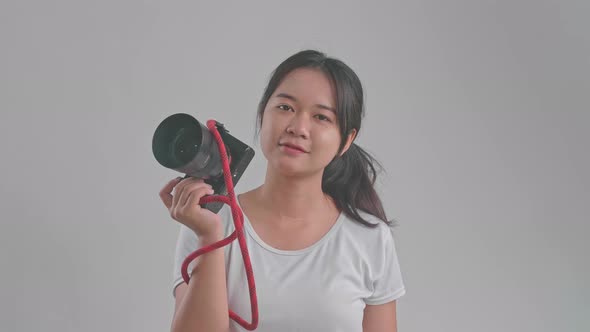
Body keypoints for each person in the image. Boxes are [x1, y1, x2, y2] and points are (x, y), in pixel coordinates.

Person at [160, 49, 406, 332]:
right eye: (285, 107)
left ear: (346, 139)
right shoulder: (210, 222)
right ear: (263, 113)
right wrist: (208, 237)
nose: (298, 127)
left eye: (321, 117)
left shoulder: (370, 238)